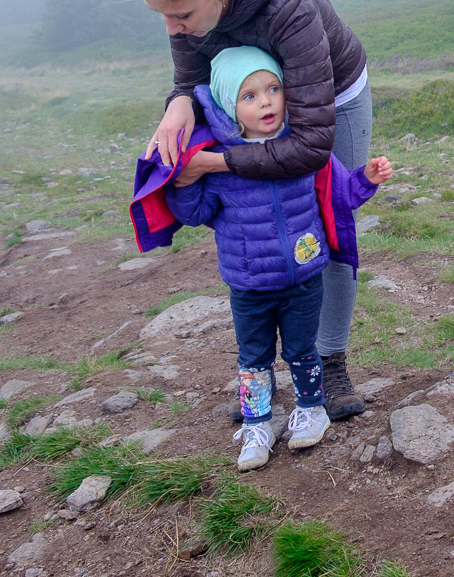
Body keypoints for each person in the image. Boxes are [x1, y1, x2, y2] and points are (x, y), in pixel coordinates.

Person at [128, 0, 373, 421]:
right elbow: (190, 75)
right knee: (257, 219)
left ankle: (329, 360)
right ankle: (260, 367)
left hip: (331, 99)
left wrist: (216, 163)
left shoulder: (290, 6)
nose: (173, 28)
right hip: (248, 98)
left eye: (181, 17)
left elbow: (307, 148)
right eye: (163, 17)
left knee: (325, 217)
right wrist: (179, 102)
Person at [163, 47, 392, 471]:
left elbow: (339, 195)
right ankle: (257, 424)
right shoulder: (219, 165)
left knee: (303, 351)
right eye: (249, 96)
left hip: (304, 279)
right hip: (249, 285)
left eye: (273, 88)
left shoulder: (301, 151)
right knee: (253, 359)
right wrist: (185, 179)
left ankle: (312, 409)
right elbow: (193, 213)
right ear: (228, 106)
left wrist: (367, 178)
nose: (265, 101)